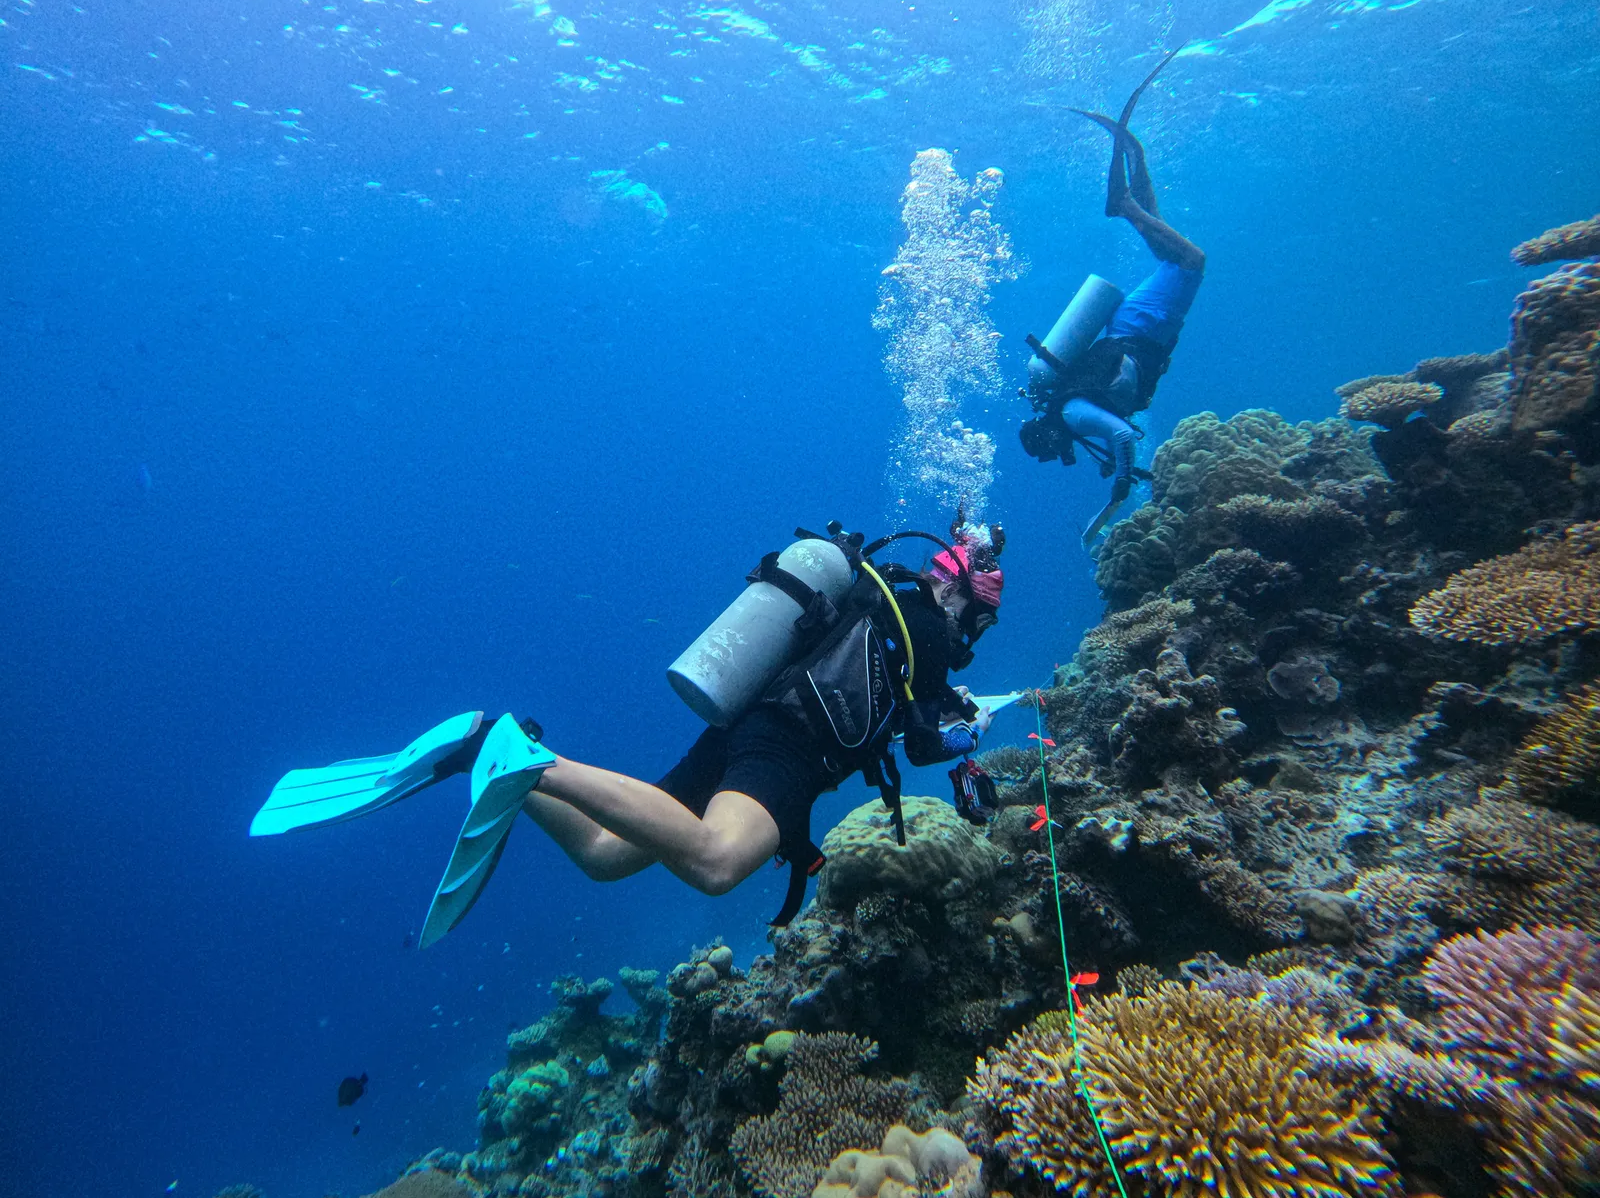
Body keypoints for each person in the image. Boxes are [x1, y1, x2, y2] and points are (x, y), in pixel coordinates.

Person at [251, 518, 1006, 943]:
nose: (978, 632)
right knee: (715, 860)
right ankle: (529, 763)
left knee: (607, 857)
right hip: (787, 749)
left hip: (748, 725)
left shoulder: (883, 603)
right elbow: (922, 742)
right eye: (984, 618)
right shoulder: (929, 629)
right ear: (966, 600)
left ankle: (484, 742)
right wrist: (974, 740)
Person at [1018, 48, 1206, 546]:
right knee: (1169, 256)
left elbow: (1122, 436)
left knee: (1191, 262)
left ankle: (1124, 206)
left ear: (1050, 435)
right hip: (1133, 328)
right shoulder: (1066, 409)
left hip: (1141, 329)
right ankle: (1136, 164)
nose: (1066, 451)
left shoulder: (1073, 414)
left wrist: (1119, 491)